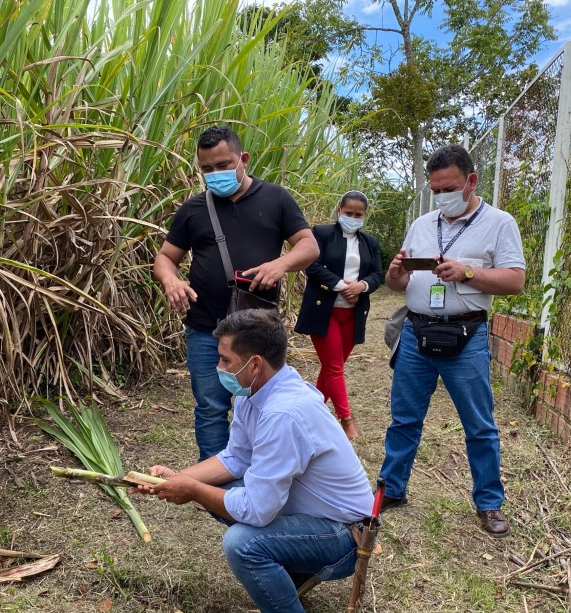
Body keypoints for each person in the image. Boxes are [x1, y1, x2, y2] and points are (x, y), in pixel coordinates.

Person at [134, 309, 373, 613]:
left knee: (243, 543)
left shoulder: (284, 413)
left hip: (345, 538)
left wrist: (193, 492)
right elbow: (236, 458)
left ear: (254, 363)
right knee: (227, 499)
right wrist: (179, 478)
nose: (219, 366)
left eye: (225, 359)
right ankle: (290, 578)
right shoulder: (259, 390)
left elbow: (258, 511)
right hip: (316, 520)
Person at [379, 145, 525, 537]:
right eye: (436, 188)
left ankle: (489, 502)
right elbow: (398, 286)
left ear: (471, 181)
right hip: (416, 331)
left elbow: (515, 280)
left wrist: (468, 273)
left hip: (467, 333)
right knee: (404, 418)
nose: (442, 195)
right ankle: (392, 488)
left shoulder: (499, 222)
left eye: (450, 187)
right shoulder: (423, 224)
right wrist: (395, 273)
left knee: (479, 424)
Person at [153, 126, 318, 461]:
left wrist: (280, 265)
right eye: (207, 169)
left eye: (224, 164)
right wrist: (171, 281)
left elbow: (308, 245)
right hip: (204, 329)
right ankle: (213, 482)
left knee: (264, 403)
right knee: (211, 406)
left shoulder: (276, 199)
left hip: (258, 329)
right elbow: (165, 257)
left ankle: (263, 469)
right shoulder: (193, 209)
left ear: (243, 159)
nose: (216, 174)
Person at [294, 191, 384, 440]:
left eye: (359, 214)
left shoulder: (370, 243)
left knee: (331, 368)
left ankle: (312, 415)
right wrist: (342, 285)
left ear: (364, 216)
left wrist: (362, 286)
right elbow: (311, 265)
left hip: (352, 315)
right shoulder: (321, 233)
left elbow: (378, 274)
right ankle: (346, 420)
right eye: (349, 213)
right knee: (334, 368)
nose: (353, 218)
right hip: (324, 313)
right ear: (339, 211)